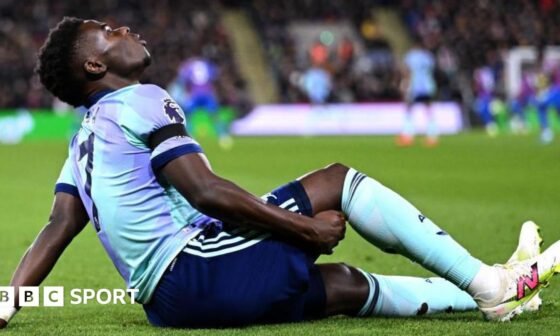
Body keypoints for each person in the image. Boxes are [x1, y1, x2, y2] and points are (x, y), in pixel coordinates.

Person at [1, 17, 559, 329]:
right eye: (105, 30)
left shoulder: (83, 138)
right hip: (197, 269)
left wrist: (9, 299)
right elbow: (207, 191)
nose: (121, 27)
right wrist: (303, 229)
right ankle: (494, 285)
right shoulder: (141, 100)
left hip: (169, 306)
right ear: (96, 65)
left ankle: (492, 289)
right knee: (336, 180)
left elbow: (57, 226)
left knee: (342, 285)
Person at [398, 38, 438, 147]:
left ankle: (408, 136)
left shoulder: (411, 56)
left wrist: (405, 84)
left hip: (415, 86)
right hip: (428, 85)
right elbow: (432, 70)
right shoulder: (428, 56)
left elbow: (407, 71)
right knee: (428, 109)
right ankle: (432, 136)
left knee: (409, 109)